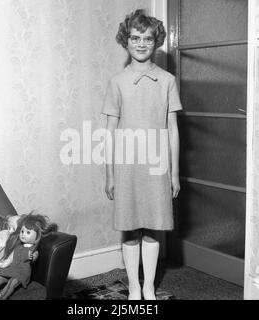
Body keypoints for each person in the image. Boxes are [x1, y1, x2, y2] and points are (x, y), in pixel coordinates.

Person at [102, 9, 182, 300]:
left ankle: (149, 286)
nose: (141, 43)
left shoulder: (167, 80)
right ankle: (133, 287)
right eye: (135, 37)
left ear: (156, 41)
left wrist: (174, 172)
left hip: (157, 164)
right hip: (126, 165)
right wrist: (109, 174)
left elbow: (172, 129)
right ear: (126, 41)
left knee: (153, 227)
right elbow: (110, 130)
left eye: (147, 38)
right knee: (130, 227)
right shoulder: (117, 81)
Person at [0, 212, 57, 300]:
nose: (23, 234)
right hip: (11, 269)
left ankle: (2, 296)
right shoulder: (18, 247)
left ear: (37, 237)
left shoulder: (32, 250)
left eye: (28, 232)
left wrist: (32, 257)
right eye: (22, 231)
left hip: (22, 272)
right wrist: (4, 264)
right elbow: (10, 258)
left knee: (12, 283)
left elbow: (34, 257)